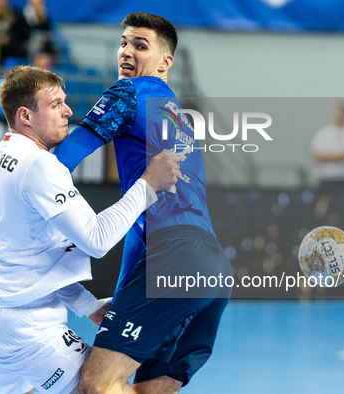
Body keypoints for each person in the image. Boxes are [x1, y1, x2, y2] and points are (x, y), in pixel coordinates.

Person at [0, 65, 181, 394]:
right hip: (26, 327)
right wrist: (148, 185)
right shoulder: (38, 164)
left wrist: (87, 305)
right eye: (54, 105)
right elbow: (97, 239)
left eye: (64, 102)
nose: (67, 111)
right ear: (25, 115)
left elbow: (31, 256)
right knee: (102, 386)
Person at [53, 12, 232, 394]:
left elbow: (56, 166)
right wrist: (120, 300)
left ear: (166, 62)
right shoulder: (178, 117)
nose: (126, 51)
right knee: (150, 389)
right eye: (123, 42)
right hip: (213, 266)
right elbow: (145, 223)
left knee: (98, 385)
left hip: (175, 255)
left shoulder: (127, 94)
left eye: (140, 45)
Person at [311, 103, 344, 193]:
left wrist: (325, 157)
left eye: (342, 114)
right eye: (337, 114)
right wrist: (337, 156)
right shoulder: (322, 133)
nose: (339, 117)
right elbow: (316, 157)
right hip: (325, 178)